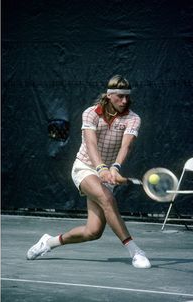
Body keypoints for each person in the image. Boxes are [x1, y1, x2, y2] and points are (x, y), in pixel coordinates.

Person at [27, 75, 151, 268]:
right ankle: (135, 251)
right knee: (107, 199)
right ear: (109, 96)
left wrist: (115, 168)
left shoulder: (133, 118)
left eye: (127, 97)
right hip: (84, 167)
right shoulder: (91, 113)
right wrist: (101, 167)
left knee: (92, 232)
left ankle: (49, 242)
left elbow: (125, 146)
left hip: (107, 172)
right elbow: (91, 143)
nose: (124, 101)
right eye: (119, 96)